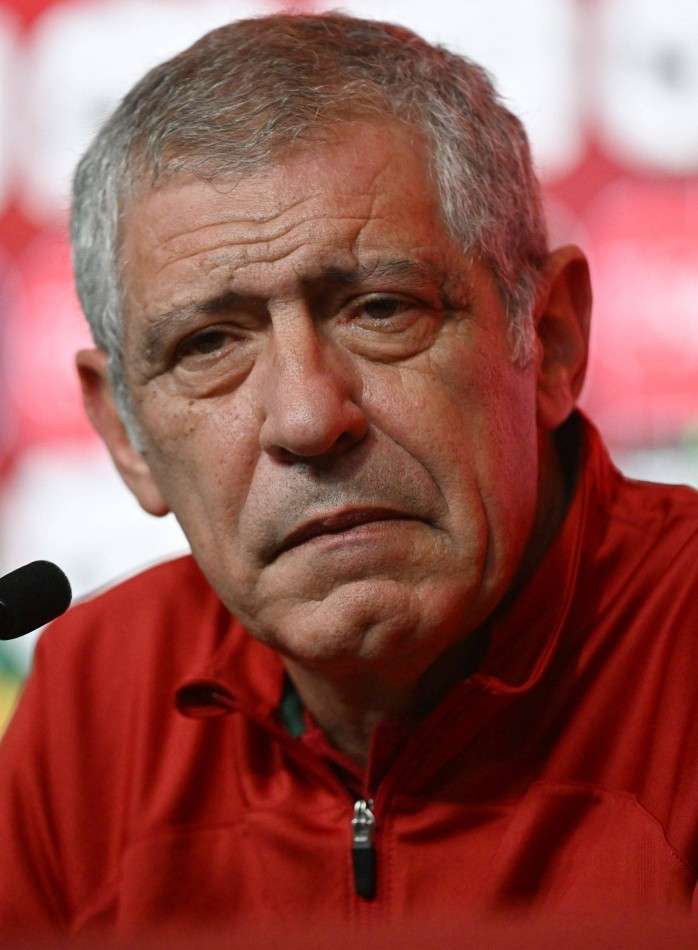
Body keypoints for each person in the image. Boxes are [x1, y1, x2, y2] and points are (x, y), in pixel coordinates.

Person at [1, 11, 697, 943]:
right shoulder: (99, 697)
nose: (306, 419)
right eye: (210, 345)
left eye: (380, 309)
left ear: (551, 338)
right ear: (126, 435)